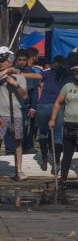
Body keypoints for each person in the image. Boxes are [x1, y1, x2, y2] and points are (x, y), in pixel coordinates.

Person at [0, 47, 28, 181]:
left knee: (17, 142)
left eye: (5, 61)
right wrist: (6, 72)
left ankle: (19, 170)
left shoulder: (20, 77)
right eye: (3, 61)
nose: (3, 63)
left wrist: (14, 83)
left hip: (16, 114)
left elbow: (24, 95)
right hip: (1, 114)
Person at [15, 49, 38, 153]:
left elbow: (34, 92)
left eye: (24, 60)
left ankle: (23, 150)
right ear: (16, 60)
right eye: (19, 60)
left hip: (24, 108)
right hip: (10, 108)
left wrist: (33, 107)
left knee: (23, 131)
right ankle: (10, 153)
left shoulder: (31, 72)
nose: (22, 62)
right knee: (10, 132)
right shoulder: (11, 71)